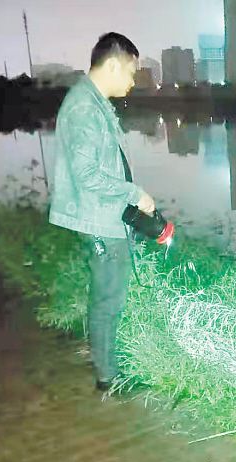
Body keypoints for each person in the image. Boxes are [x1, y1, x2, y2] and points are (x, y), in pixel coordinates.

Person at [48, 32, 156, 391]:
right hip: (100, 220)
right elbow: (87, 174)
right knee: (107, 300)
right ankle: (108, 378)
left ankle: (106, 364)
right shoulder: (83, 108)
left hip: (105, 215)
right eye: (130, 72)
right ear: (112, 65)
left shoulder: (93, 103)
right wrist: (134, 193)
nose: (132, 81)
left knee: (107, 297)